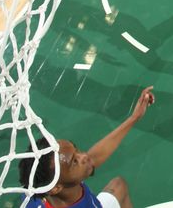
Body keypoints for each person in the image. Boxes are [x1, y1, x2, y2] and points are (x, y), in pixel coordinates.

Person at [19, 86, 155, 208]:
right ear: (56, 188)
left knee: (118, 186)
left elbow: (92, 158)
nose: (84, 156)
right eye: (74, 161)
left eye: (76, 150)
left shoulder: (41, 186)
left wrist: (134, 117)